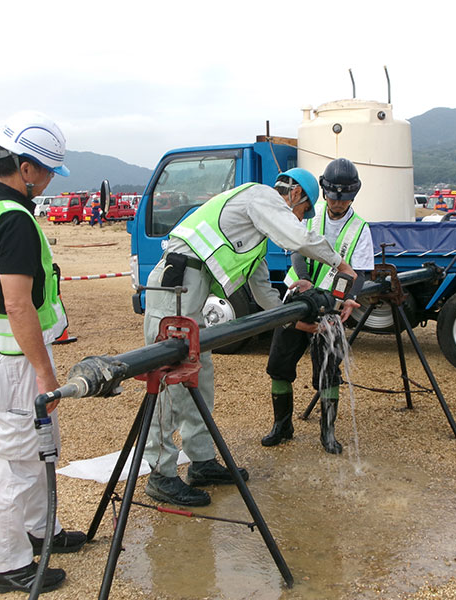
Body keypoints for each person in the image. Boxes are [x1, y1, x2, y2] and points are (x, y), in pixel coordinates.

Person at [142, 167, 357, 507]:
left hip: (193, 293)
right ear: (296, 196)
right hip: (176, 284)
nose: (300, 220)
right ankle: (161, 474)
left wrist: (302, 314)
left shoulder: (253, 237)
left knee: (200, 378)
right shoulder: (260, 195)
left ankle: (201, 462)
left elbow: (266, 299)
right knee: (168, 379)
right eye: (302, 213)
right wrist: (340, 264)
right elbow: (297, 239)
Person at [0, 111, 85, 595]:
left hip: (6, 359)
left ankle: (38, 532)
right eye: (47, 171)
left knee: (32, 450)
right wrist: (46, 374)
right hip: (12, 363)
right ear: (26, 168)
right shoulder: (14, 222)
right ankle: (6, 564)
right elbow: (16, 303)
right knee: (14, 459)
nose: (49, 181)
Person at [262, 158, 373, 454]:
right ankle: (282, 426)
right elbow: (298, 249)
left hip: (332, 307)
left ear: (353, 195)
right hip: (298, 297)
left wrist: (349, 295)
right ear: (324, 192)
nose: (338, 203)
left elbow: (359, 272)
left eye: (345, 198)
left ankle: (328, 432)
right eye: (334, 197)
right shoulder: (310, 212)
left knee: (328, 371)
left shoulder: (360, 228)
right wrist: (305, 279)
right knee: (280, 365)